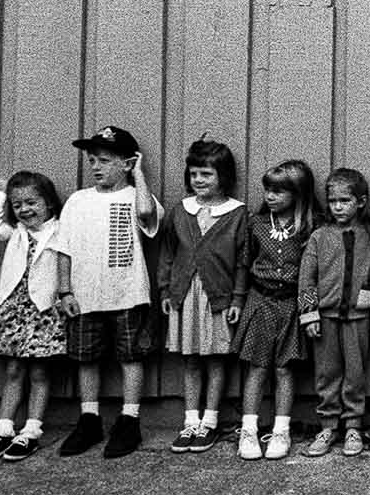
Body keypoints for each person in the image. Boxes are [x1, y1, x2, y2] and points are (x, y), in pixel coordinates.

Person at [47, 126, 163, 458]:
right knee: (86, 358)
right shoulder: (78, 201)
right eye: (92, 160)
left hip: (127, 292)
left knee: (130, 356)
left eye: (105, 160)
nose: (96, 167)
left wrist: (138, 174)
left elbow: (146, 215)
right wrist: (65, 291)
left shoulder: (137, 197)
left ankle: (129, 419)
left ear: (126, 164)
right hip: (85, 295)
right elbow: (63, 249)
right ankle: (89, 417)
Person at [159, 137, 253, 454]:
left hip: (218, 299)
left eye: (207, 174)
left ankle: (209, 421)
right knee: (191, 360)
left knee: (215, 359)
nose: (199, 180)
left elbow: (242, 261)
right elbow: (168, 255)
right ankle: (190, 421)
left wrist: (238, 300)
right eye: (195, 174)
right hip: (185, 296)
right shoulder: (180, 211)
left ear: (222, 177)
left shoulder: (237, 214)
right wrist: (165, 290)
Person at [0, 172, 68, 462]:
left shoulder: (61, 231)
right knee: (14, 371)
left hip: (43, 311)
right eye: (18, 205)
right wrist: (2, 194)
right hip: (15, 311)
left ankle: (31, 430)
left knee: (40, 372)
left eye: (32, 202)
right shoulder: (15, 232)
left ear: (49, 203)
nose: (25, 210)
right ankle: (4, 428)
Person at [233, 159, 317, 461]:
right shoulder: (256, 224)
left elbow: (313, 273)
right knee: (257, 367)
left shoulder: (310, 226)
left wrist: (309, 310)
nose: (270, 196)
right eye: (267, 190)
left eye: (279, 192)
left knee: (284, 368)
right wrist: (238, 301)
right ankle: (249, 429)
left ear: (298, 194)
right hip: (260, 301)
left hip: (292, 305)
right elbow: (244, 264)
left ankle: (282, 429)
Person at [298, 168, 370, 457]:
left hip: (359, 317)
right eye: (333, 201)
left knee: (355, 373)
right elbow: (306, 278)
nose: (338, 207)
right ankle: (328, 425)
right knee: (327, 372)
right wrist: (309, 314)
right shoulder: (320, 237)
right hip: (326, 317)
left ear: (361, 201)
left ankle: (354, 426)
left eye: (345, 200)